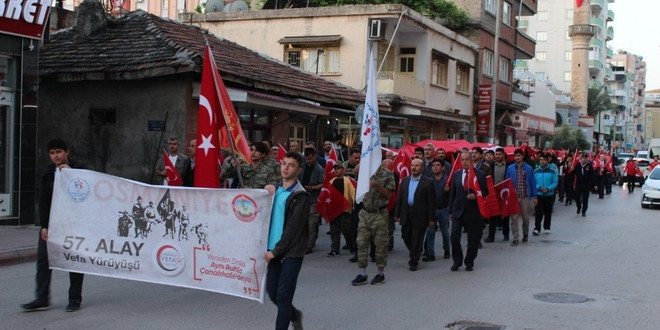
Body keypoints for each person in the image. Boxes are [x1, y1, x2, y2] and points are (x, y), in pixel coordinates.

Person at [22, 139, 86, 312]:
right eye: (52, 153)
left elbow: (89, 190)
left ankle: (74, 299)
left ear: (67, 152)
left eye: (58, 152)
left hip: (74, 224)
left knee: (75, 261)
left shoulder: (80, 169)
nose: (55, 156)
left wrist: (71, 174)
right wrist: (44, 225)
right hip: (53, 224)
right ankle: (42, 298)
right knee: (44, 260)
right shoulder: (48, 174)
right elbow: (43, 201)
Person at [264, 152, 309, 330]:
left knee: (283, 297)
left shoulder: (300, 195)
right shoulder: (276, 190)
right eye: (284, 163)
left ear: (298, 170)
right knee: (273, 292)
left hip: (291, 251)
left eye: (291, 165)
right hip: (272, 248)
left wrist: (276, 252)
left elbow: (293, 230)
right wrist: (265, 191)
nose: (286, 167)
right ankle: (295, 314)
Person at [351, 163, 395, 285]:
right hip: (365, 212)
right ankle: (362, 273)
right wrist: (364, 158)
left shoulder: (387, 174)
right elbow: (354, 172)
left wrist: (376, 186)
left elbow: (389, 194)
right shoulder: (365, 172)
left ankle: (380, 273)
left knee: (381, 244)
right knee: (361, 242)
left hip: (379, 213)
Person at [448, 152, 488, 272]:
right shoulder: (456, 175)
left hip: (473, 212)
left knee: (473, 239)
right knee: (454, 237)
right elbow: (453, 194)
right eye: (463, 160)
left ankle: (469, 261)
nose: (464, 162)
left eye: (467, 160)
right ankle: (457, 261)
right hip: (458, 211)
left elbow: (485, 192)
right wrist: (450, 211)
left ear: (471, 161)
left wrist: (475, 195)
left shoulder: (480, 175)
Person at [395, 159, 436, 271]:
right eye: (412, 165)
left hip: (420, 214)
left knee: (416, 238)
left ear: (422, 168)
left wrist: (432, 219)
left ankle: (414, 261)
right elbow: (400, 198)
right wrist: (397, 213)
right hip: (406, 212)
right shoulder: (405, 181)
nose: (414, 167)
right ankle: (416, 249)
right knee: (405, 235)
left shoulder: (428, 182)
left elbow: (431, 202)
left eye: (417, 165)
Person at [505, 149, 537, 246]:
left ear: (522, 156)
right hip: (514, 197)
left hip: (525, 196)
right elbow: (507, 181)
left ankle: (525, 234)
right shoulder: (510, 168)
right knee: (514, 218)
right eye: (516, 156)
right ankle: (515, 238)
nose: (517, 158)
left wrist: (535, 196)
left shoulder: (529, 168)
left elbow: (532, 182)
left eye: (519, 155)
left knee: (526, 218)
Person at [424, 158, 450, 260]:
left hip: (444, 209)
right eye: (433, 165)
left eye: (438, 165)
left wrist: (448, 191)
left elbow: (452, 195)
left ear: (443, 167)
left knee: (445, 232)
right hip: (432, 209)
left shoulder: (448, 179)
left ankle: (447, 250)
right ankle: (430, 253)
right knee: (430, 232)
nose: (435, 167)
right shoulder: (428, 180)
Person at [300, 147, 325, 254]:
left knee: (312, 223)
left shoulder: (319, 169)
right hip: (303, 197)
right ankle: (304, 242)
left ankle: (309, 246)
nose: (308, 161)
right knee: (303, 223)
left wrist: (311, 188)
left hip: (314, 198)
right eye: (307, 159)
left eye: (310, 159)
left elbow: (322, 184)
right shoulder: (303, 167)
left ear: (314, 156)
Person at [327, 161, 355, 256]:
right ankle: (335, 249)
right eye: (335, 169)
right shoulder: (332, 181)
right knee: (334, 230)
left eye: (338, 168)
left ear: (343, 170)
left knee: (346, 228)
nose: (336, 170)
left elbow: (352, 193)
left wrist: (354, 205)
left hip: (344, 209)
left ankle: (351, 245)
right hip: (334, 209)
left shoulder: (347, 180)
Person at [485, 147, 510, 242]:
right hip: (493, 193)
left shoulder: (508, 166)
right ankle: (491, 236)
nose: (498, 156)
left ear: (503, 155)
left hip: (504, 193)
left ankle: (506, 234)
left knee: (505, 215)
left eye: (500, 154)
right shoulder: (491, 166)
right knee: (493, 215)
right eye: (496, 154)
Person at [533, 154, 558, 235]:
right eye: (540, 160)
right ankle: (537, 228)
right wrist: (539, 187)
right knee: (538, 212)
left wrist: (548, 188)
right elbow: (533, 182)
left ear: (547, 161)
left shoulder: (552, 171)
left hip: (549, 195)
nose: (542, 161)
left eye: (544, 160)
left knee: (548, 211)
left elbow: (555, 182)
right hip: (539, 194)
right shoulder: (536, 171)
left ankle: (547, 227)